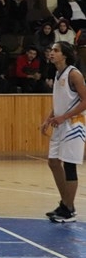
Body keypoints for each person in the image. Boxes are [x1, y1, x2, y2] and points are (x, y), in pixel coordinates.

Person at [41, 42, 86, 223]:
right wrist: (48, 118)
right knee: (53, 162)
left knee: (69, 166)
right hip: (60, 123)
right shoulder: (57, 73)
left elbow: (85, 101)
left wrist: (64, 117)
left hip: (74, 125)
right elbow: (60, 101)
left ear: (64, 55)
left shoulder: (74, 74)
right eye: (51, 50)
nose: (51, 53)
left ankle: (68, 210)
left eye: (56, 50)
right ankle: (67, 204)